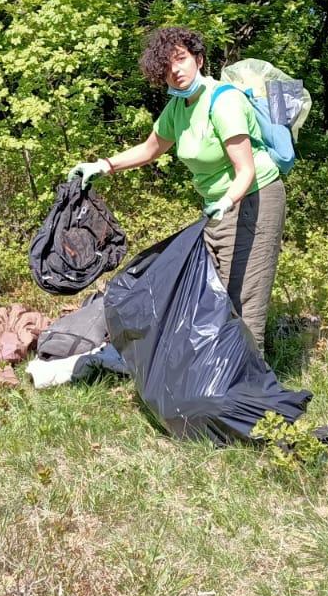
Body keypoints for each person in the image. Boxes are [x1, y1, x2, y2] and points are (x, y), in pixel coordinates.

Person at [68, 26, 286, 357]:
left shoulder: (223, 102)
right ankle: (217, 376)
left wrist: (226, 200)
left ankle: (252, 391)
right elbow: (150, 149)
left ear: (199, 59)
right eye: (166, 67)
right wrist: (102, 166)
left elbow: (246, 171)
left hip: (254, 198)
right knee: (212, 289)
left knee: (244, 295)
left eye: (181, 59)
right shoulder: (179, 108)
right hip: (219, 205)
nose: (176, 71)